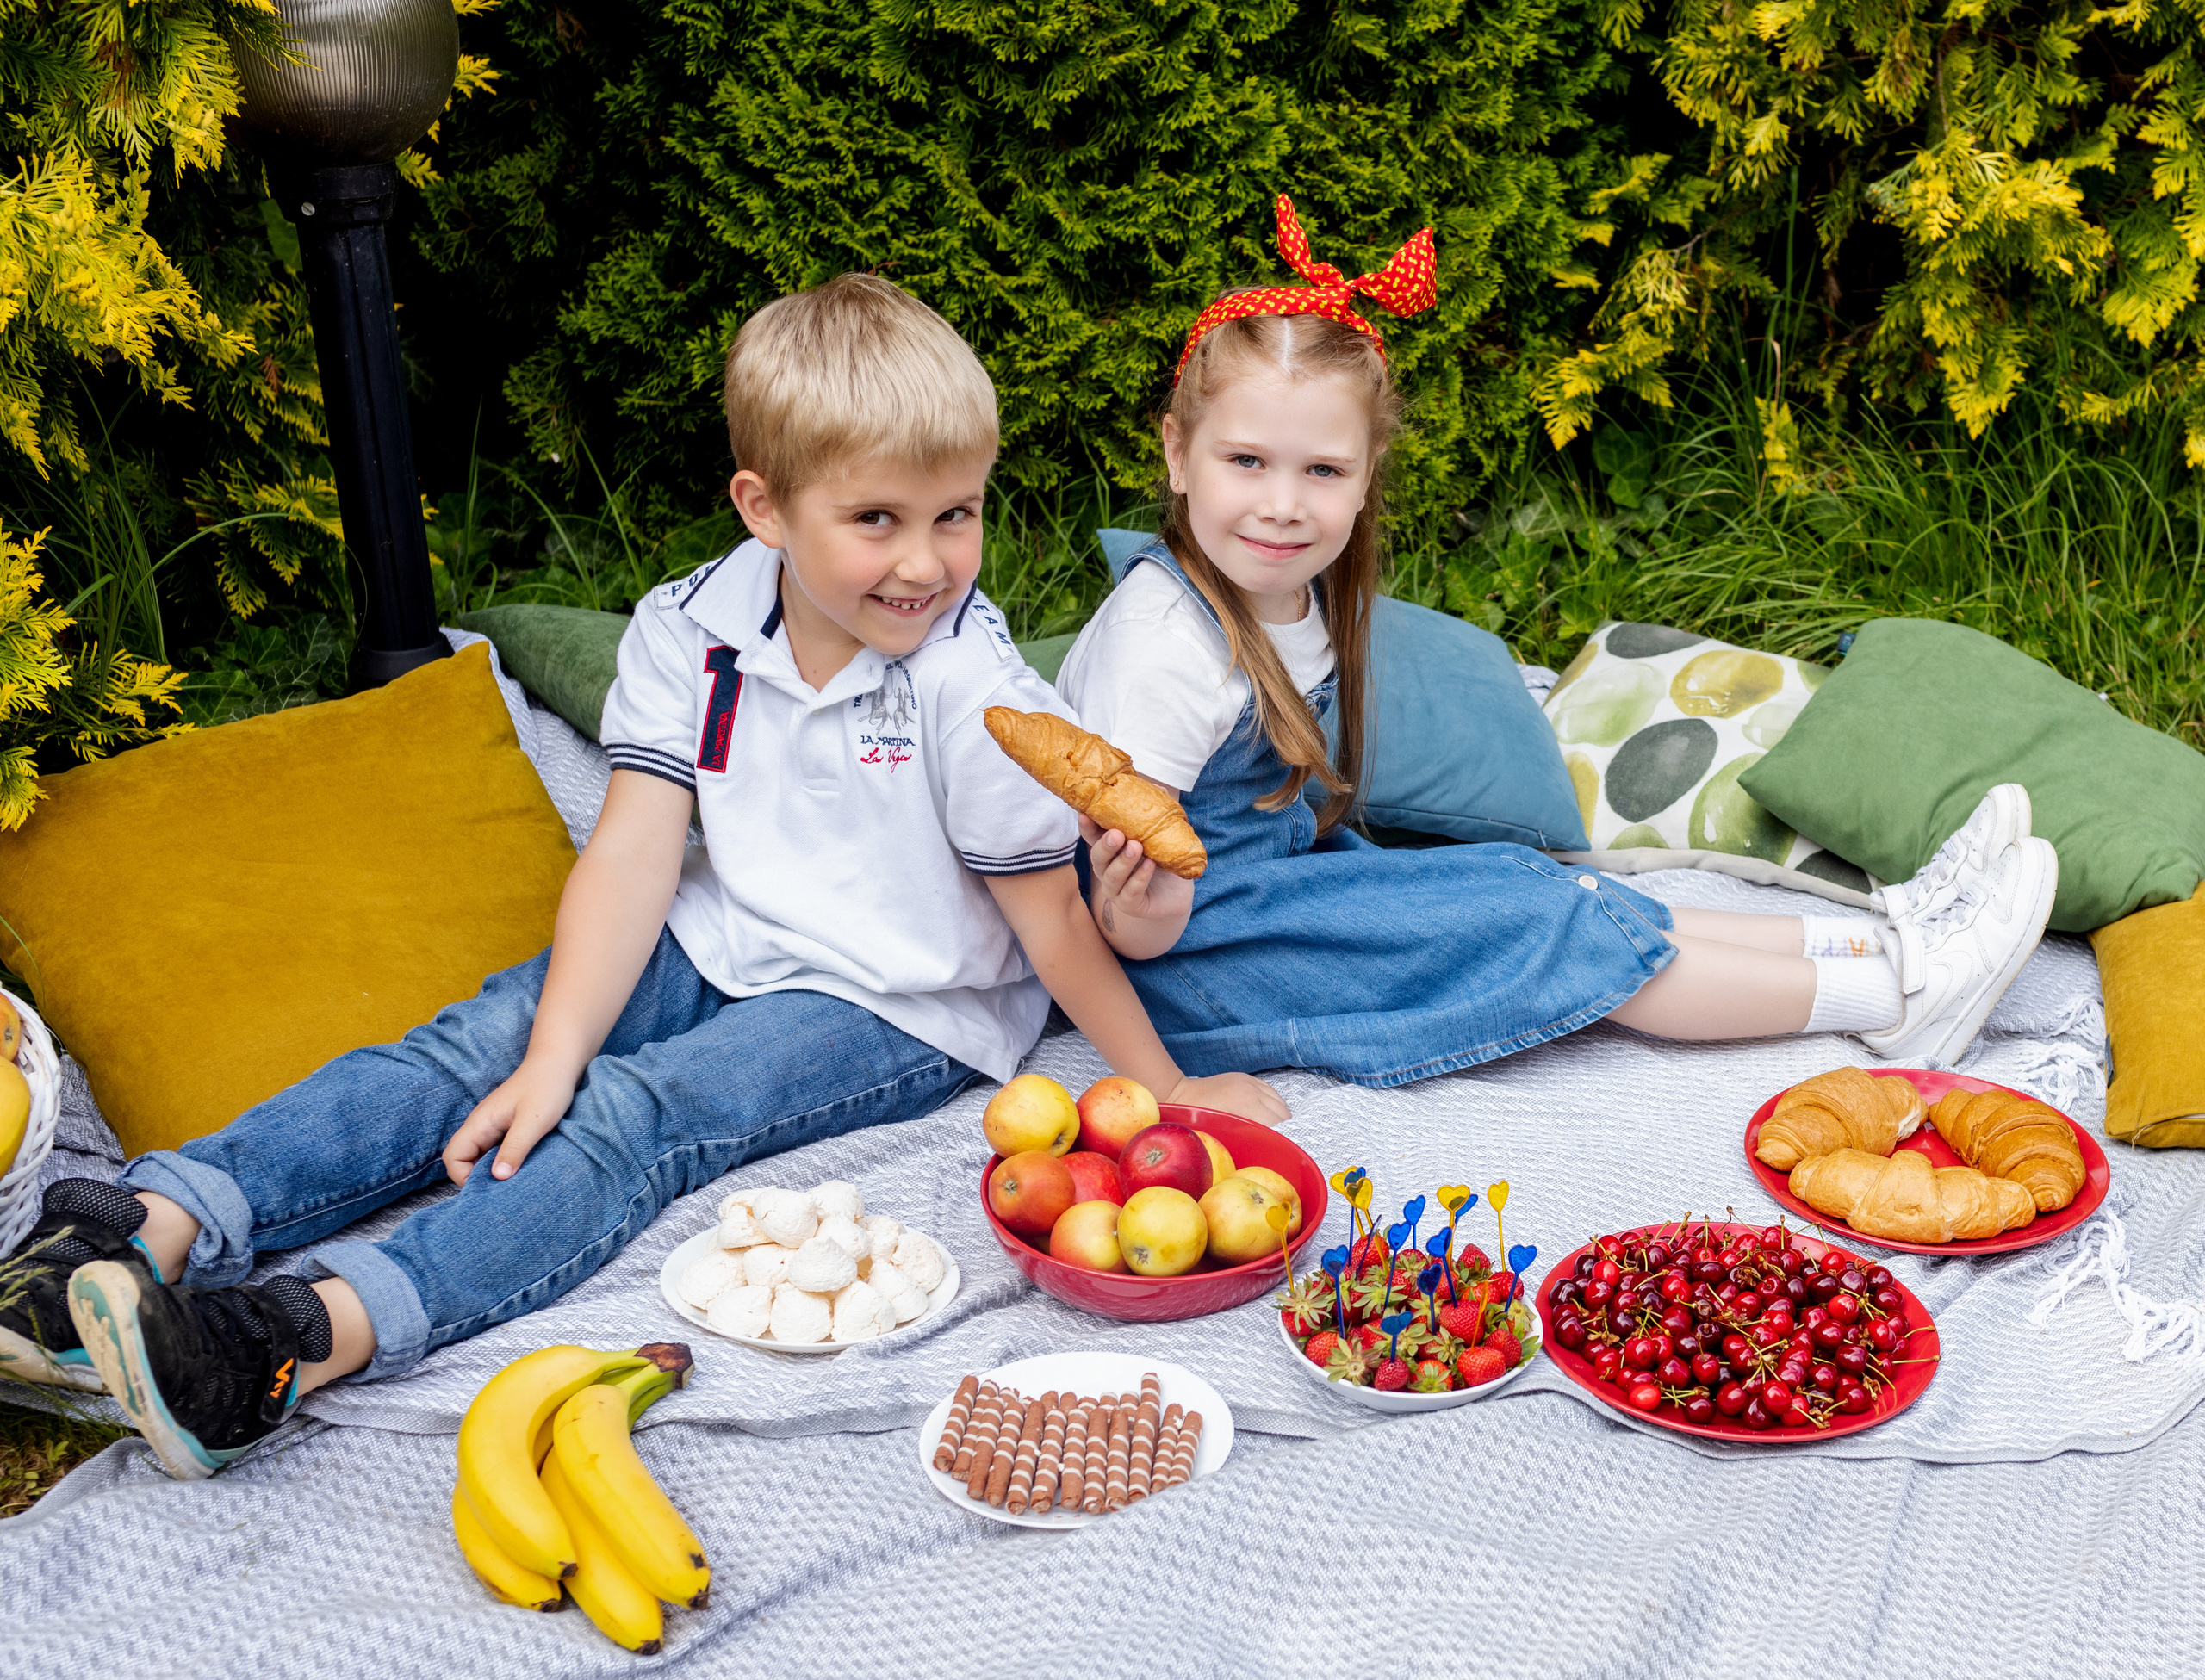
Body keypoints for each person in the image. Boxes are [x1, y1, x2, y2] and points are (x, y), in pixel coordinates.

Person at [0, 273, 1282, 1480]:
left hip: (896, 997)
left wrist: (1165, 1091)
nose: (927, 562)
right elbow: (632, 847)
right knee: (481, 1042)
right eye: (876, 519)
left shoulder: (967, 678)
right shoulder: (696, 626)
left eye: (958, 513)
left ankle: (285, 1344)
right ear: (765, 508)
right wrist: (549, 1046)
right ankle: (144, 1232)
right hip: (723, 931)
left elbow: (1046, 917)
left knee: (637, 1114)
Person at [1055, 195, 2059, 1091]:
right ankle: (1894, 1001)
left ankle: (1884, 940)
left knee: (1530, 883)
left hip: (1274, 899)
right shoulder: (1164, 648)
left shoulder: (1288, 596)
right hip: (1202, 965)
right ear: (1178, 454)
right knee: (1546, 933)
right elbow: (1117, 921)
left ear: (1366, 479)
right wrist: (1145, 913)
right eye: (1245, 460)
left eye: (1321, 470)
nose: (1282, 504)